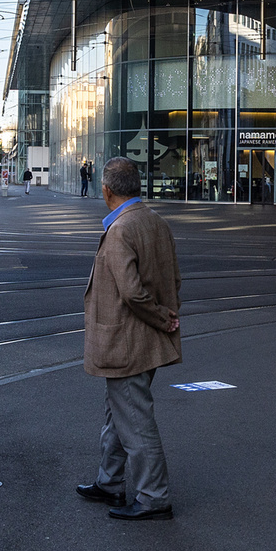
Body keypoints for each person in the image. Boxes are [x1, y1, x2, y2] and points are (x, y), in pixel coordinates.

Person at [75, 157, 181, 521]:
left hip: (126, 342)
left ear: (106, 191)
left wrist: (160, 317)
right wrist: (164, 316)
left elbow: (133, 294)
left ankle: (154, 497)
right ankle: (109, 482)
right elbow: (173, 279)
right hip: (144, 341)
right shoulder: (155, 222)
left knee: (134, 420)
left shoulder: (121, 229)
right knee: (118, 414)